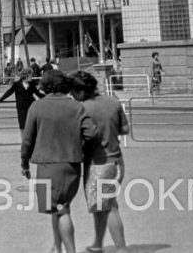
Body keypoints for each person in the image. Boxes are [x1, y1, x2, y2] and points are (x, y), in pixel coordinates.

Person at [20, 70, 98, 253]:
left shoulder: (37, 107)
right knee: (60, 207)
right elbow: (91, 133)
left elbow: (27, 141)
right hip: (71, 164)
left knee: (60, 210)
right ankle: (58, 247)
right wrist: (79, 148)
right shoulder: (76, 107)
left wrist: (24, 164)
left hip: (47, 165)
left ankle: (69, 250)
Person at [72, 70, 130, 253]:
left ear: (81, 91)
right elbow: (125, 129)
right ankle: (98, 243)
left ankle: (121, 249)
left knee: (110, 207)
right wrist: (109, 131)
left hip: (98, 163)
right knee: (102, 206)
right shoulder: (113, 101)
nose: (72, 96)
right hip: (117, 160)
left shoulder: (82, 109)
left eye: (73, 92)